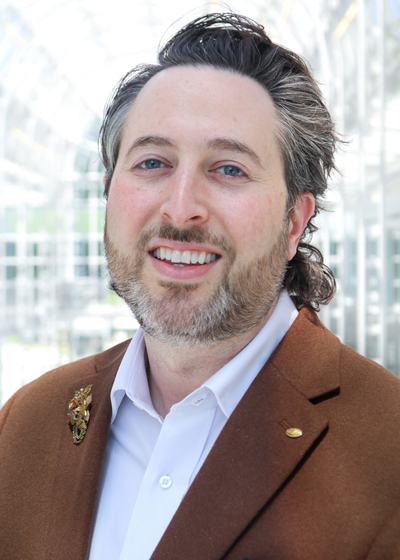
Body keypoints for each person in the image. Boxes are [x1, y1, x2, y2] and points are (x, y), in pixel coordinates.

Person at [1, 12, 400, 560]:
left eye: (229, 169)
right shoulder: (27, 423)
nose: (180, 207)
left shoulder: (387, 451)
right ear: (109, 193)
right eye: (152, 162)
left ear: (294, 221)